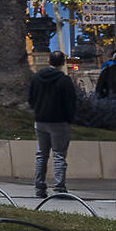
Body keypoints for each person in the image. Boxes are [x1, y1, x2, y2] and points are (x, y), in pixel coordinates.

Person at [28, 49, 79, 199]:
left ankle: (39, 186)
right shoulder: (64, 80)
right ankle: (59, 187)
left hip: (41, 120)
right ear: (62, 63)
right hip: (59, 121)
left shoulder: (37, 78)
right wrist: (69, 119)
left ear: (48, 61)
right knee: (59, 155)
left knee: (41, 154)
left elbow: (31, 98)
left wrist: (37, 110)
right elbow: (71, 102)